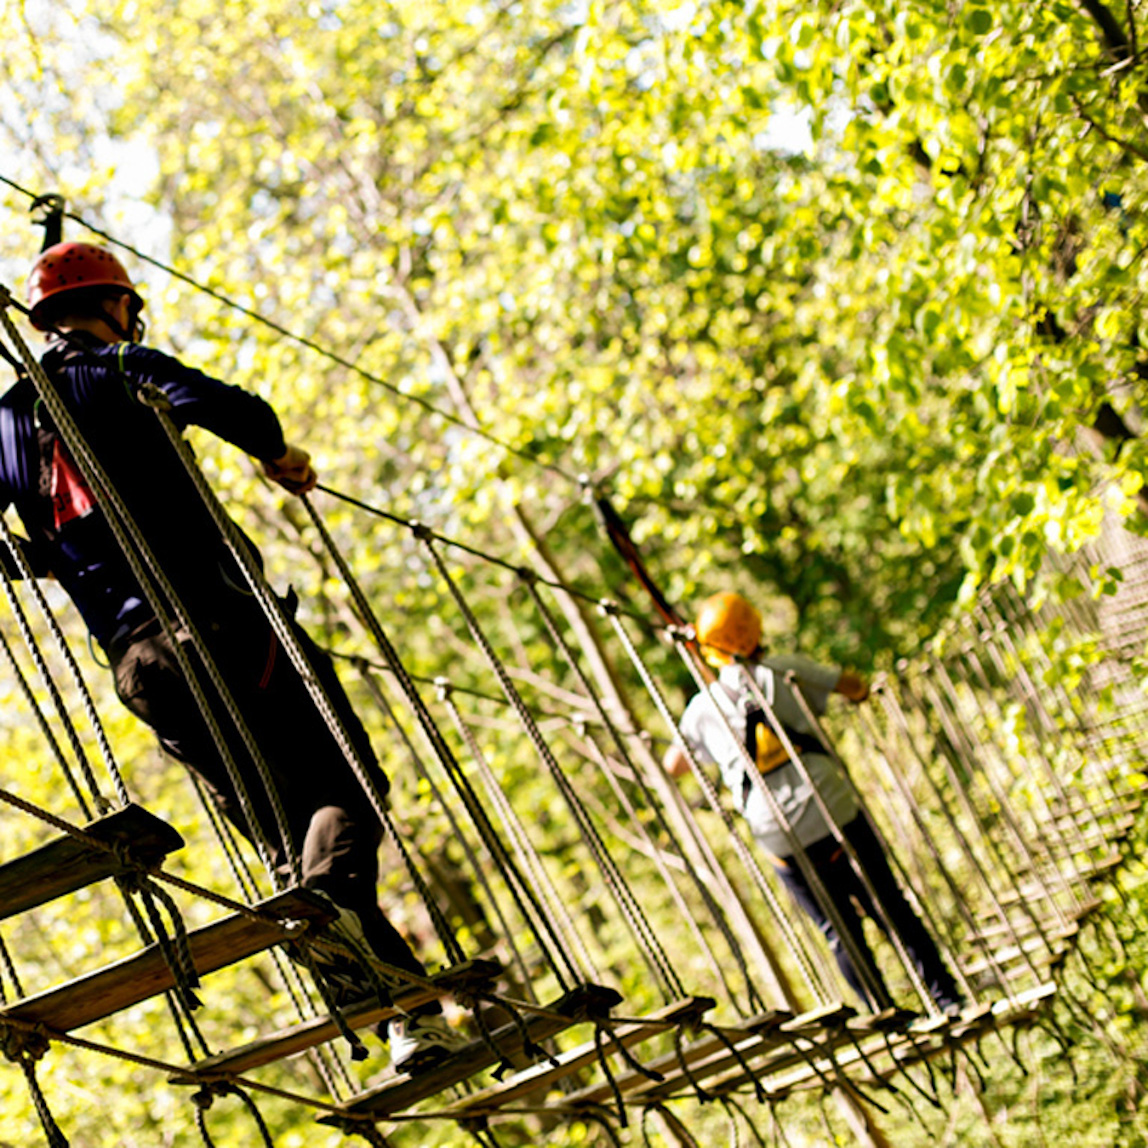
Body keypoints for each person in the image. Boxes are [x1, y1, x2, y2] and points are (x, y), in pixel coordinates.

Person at [0, 241, 466, 1073]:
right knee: (346, 785)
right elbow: (243, 413)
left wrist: (50, 550)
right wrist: (275, 454)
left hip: (140, 668)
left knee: (287, 834)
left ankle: (406, 1015)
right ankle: (350, 944)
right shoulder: (121, 363)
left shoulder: (1, 422)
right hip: (223, 626)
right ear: (114, 305)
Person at [663, 591, 963, 1014]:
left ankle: (884, 1012)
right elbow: (852, 685)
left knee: (837, 930)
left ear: (710, 649)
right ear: (755, 628)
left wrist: (705, 694)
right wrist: (860, 693)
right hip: (833, 810)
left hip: (779, 837)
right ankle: (946, 998)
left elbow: (673, 764)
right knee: (890, 906)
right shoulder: (786, 670)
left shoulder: (700, 709)